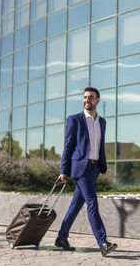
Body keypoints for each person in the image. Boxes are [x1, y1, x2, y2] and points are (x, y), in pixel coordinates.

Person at [55, 87, 118, 256]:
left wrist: (101, 165)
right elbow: (68, 146)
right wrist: (63, 171)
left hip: (94, 168)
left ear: (97, 100)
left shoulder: (102, 122)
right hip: (80, 168)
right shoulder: (74, 120)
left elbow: (99, 145)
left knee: (76, 205)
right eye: (84, 97)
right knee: (92, 202)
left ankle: (61, 237)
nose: (86, 100)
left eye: (90, 97)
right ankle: (103, 242)